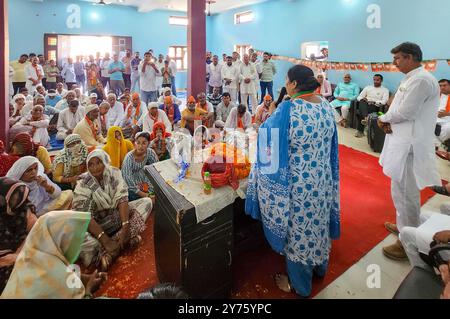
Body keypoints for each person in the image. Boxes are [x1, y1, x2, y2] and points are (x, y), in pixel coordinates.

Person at [245, 64, 340, 297]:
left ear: (294, 84)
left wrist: (261, 124)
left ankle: (299, 285)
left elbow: (268, 140)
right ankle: (320, 267)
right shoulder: (326, 106)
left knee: (300, 231)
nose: (285, 84)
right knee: (318, 224)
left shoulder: (289, 108)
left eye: (287, 80)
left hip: (298, 185)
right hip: (322, 179)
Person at [378, 42, 441, 260]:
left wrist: (382, 119)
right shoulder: (412, 78)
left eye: (398, 58)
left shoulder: (422, 79)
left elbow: (407, 111)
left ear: (411, 57)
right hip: (401, 140)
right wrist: (388, 120)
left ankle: (409, 242)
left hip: (410, 146)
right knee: (399, 190)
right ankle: (403, 226)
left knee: (406, 194)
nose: (394, 63)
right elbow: (397, 107)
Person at [73, 150, 153, 271]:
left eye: (98, 162)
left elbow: (122, 198)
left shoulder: (114, 172)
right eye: (91, 164)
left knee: (146, 202)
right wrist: (105, 240)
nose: (95, 168)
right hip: (95, 227)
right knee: (76, 237)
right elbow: (85, 216)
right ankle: (118, 244)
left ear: (105, 162)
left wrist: (125, 226)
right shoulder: (83, 183)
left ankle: (112, 250)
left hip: (117, 219)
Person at [1, 210, 108, 299]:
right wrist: (89, 289)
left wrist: (89, 279)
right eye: (66, 239)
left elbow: (62, 275)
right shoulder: (49, 272)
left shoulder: (32, 257)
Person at [0, 178, 37, 294]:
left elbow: (34, 234)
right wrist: (12, 259)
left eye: (19, 194)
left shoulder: (24, 209)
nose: (17, 198)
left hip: (23, 254)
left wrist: (19, 255)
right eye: (14, 195)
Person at [6, 157, 73, 216]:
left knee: (69, 194)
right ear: (20, 172)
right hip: (30, 213)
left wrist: (46, 186)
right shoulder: (16, 186)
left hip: (45, 206)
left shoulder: (41, 177)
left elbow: (57, 193)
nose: (34, 172)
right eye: (29, 170)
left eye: (36, 168)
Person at [122, 132, 159, 201]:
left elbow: (156, 167)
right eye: (138, 143)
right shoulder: (129, 158)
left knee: (157, 190)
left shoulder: (150, 152)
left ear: (148, 144)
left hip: (142, 178)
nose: (140, 146)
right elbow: (128, 181)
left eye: (144, 143)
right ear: (134, 143)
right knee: (131, 194)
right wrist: (145, 195)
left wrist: (151, 191)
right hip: (131, 184)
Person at [435, 79, 450, 147]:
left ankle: (440, 145)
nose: (442, 87)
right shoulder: (434, 96)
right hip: (434, 118)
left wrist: (447, 114)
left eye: (444, 85)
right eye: (440, 86)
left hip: (448, 120)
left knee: (448, 128)